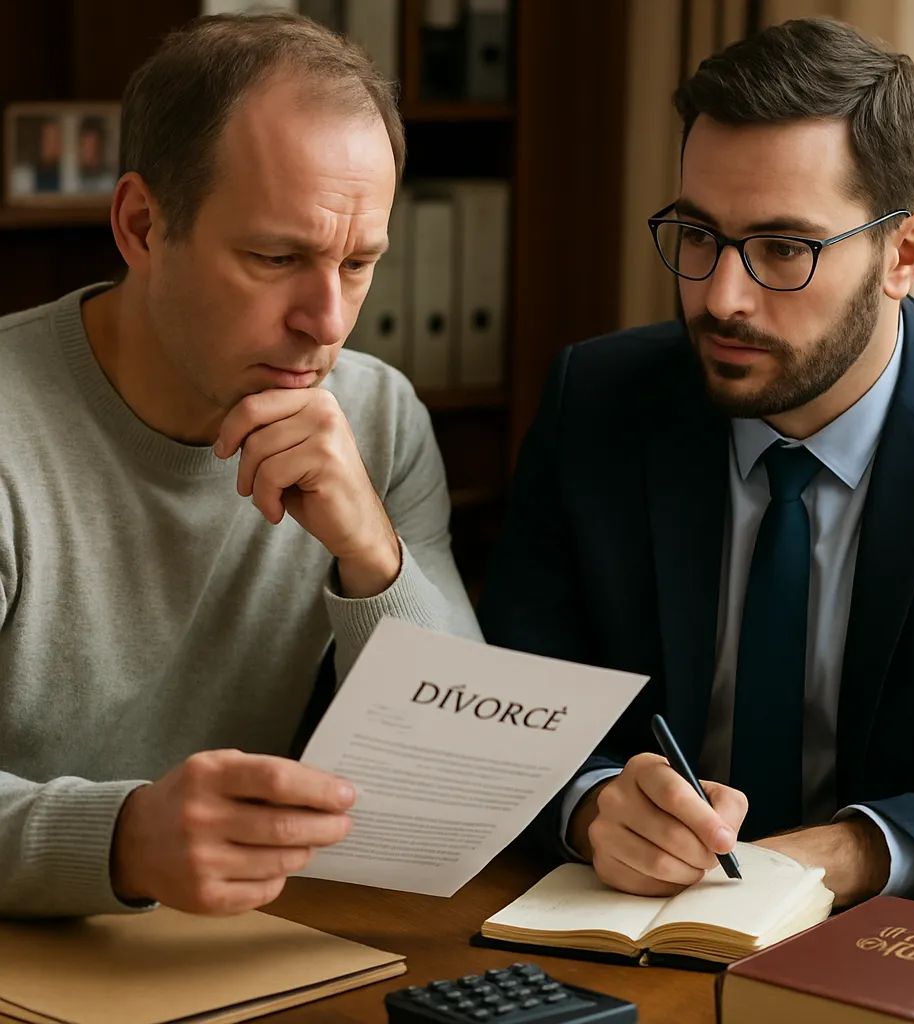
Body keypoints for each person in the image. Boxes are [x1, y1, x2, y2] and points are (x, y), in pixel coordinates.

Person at [479, 17, 914, 913]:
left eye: (783, 250)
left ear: (907, 253)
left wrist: (849, 852)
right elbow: (514, 697)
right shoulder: (601, 403)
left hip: (904, 944)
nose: (720, 297)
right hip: (626, 930)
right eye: (698, 235)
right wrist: (592, 805)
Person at [0, 13, 480, 919]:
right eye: (277, 257)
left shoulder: (377, 418)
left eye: (359, 262)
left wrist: (371, 553)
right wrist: (123, 838)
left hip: (229, 955)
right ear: (142, 225)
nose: (328, 320)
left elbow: (458, 779)